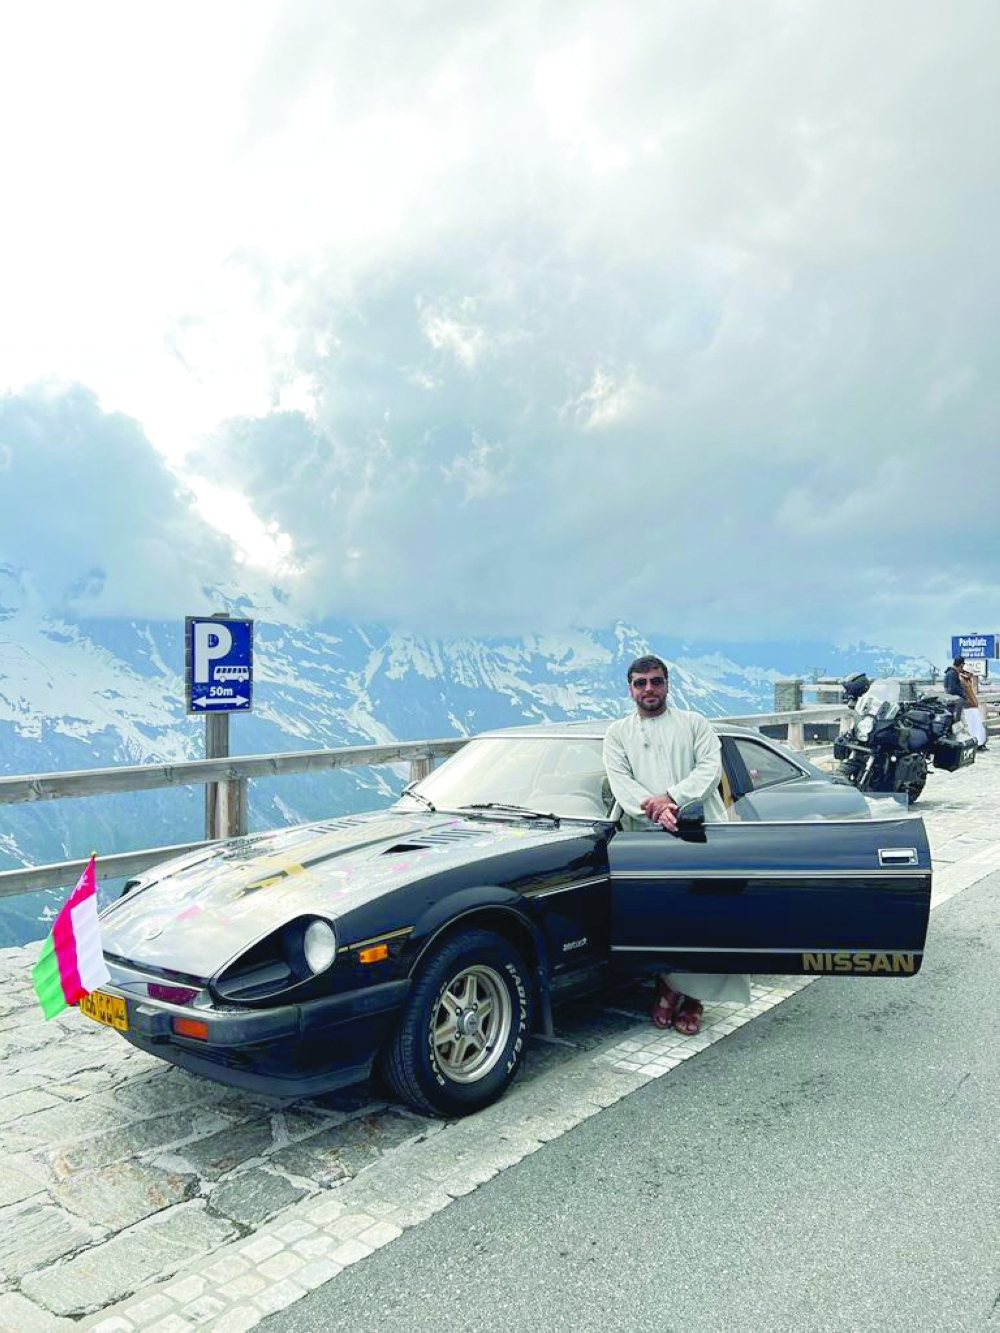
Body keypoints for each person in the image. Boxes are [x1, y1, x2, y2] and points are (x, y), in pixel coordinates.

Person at [602, 655, 751, 1035]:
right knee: (663, 918)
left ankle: (695, 999)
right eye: (640, 683)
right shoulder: (618, 733)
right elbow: (620, 781)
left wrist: (670, 798)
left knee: (706, 919)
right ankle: (668, 987)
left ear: (668, 684)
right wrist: (654, 809)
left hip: (703, 834)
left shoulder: (695, 724)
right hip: (646, 839)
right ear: (630, 688)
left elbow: (708, 769)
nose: (648, 689)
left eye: (655, 681)